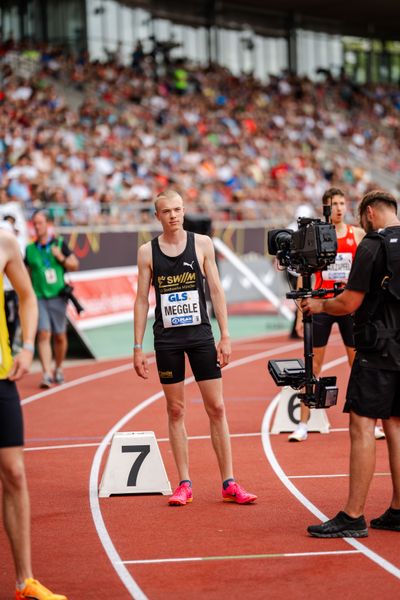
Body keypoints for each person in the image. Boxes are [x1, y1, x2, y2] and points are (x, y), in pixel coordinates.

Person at [133, 189, 257, 506]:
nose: (173, 215)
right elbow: (140, 300)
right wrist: (137, 346)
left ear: (184, 211)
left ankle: (229, 482)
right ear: (157, 216)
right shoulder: (147, 252)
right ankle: (184, 483)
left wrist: (225, 335)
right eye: (166, 211)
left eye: (177, 209)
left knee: (216, 408)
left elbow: (216, 290)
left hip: (201, 335)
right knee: (176, 410)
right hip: (167, 339)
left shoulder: (202, 243)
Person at [302, 189, 400, 537]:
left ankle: (353, 515)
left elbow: (348, 303)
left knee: (361, 425)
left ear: (370, 213)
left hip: (378, 350)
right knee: (396, 425)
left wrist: (319, 306)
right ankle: (398, 510)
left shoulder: (372, 245)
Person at [0, 228, 67, 599]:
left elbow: (28, 298)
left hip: (1, 375)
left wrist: (27, 347)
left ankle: (24, 581)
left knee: (14, 472)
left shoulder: (5, 242)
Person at [289, 188, 385, 441]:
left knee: (358, 363)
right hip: (321, 304)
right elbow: (303, 274)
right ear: (326, 208)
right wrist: (299, 314)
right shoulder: (315, 236)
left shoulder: (359, 234)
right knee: (313, 364)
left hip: (348, 305)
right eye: (335, 204)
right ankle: (303, 422)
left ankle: (370, 422)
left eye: (343, 203)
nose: (340, 208)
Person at [24, 210, 79, 389]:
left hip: (58, 297)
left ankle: (59, 368)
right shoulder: (30, 249)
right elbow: (26, 273)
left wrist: (60, 257)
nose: (37, 227)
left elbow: (74, 264)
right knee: (44, 333)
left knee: (60, 336)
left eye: (40, 223)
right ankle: (46, 373)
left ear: (48, 225)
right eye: (35, 223)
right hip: (38, 297)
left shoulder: (59, 244)